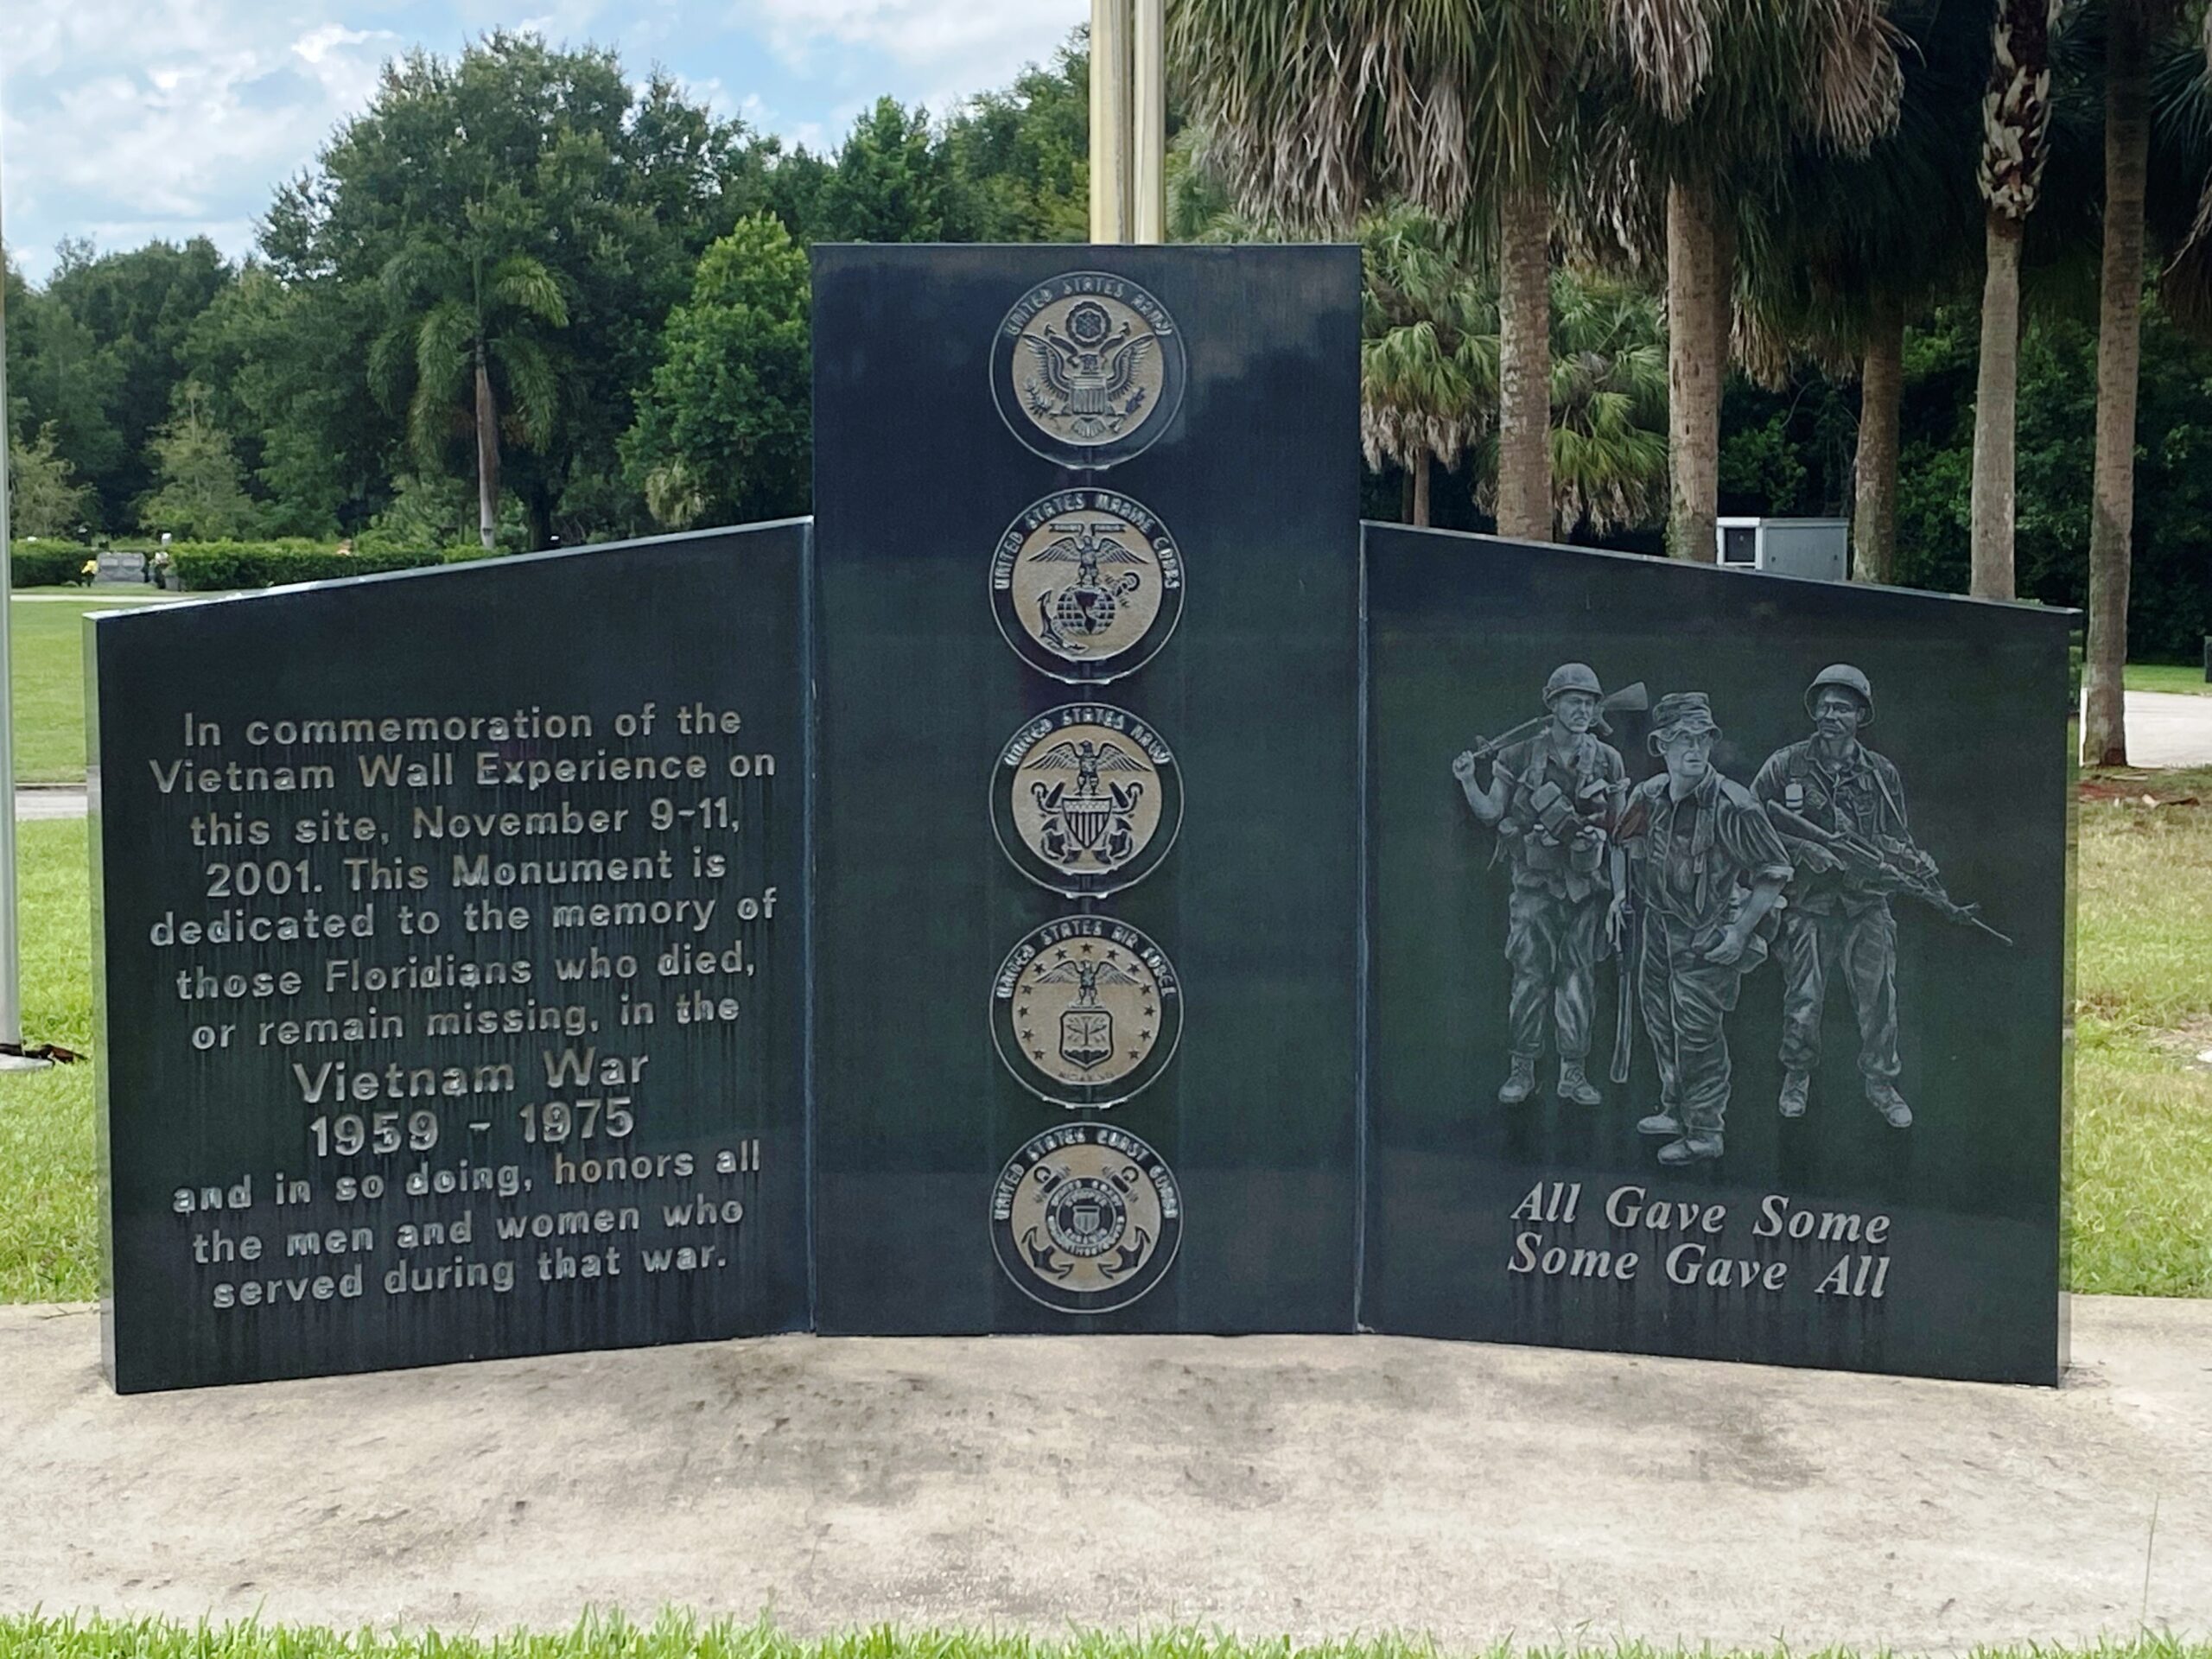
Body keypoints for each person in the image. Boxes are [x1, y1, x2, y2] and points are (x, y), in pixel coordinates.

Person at [1614, 693, 1794, 1166]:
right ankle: (1674, 1109)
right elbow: (1626, 843)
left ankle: (1705, 1132)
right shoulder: (1648, 795)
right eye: (1681, 739)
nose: (1694, 749)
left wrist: (1739, 933)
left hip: (1705, 933)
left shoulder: (1734, 804)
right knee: (1660, 1021)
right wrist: (1622, 895)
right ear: (1660, 746)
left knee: (1697, 1033)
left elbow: (1774, 872)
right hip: (1658, 928)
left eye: (1702, 739)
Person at [1751, 664, 1921, 1128]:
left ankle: (1881, 1083)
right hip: (1808, 903)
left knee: (1879, 998)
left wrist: (1910, 862)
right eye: (1823, 707)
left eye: (1841, 708)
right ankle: (1797, 1077)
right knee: (1804, 998)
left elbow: (1895, 835)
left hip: (1865, 903)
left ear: (1861, 715)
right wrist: (1804, 850)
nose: (1830, 715)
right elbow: (1749, 825)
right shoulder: (1786, 765)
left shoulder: (1881, 774)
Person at [1452, 664, 1628, 1106]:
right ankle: (1522, 1069)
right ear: (1553, 705)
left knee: (1578, 980)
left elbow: (1624, 829)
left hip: (1587, 889)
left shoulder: (1607, 759)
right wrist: (1469, 780)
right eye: (1574, 702)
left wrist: (1612, 868)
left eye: (1589, 703)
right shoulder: (1518, 754)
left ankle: (1573, 1073)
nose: (1583, 711)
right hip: (1533, 886)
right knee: (1530, 977)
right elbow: (1491, 813)